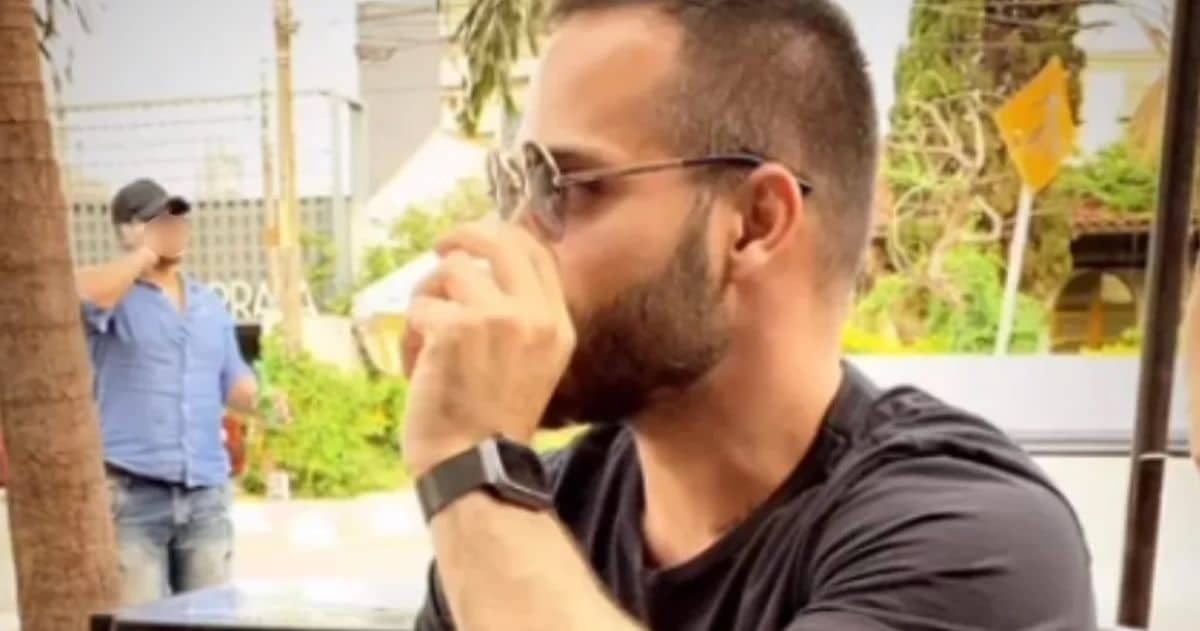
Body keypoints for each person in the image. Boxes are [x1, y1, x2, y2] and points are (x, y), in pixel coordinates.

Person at [402, 1, 1096, 629]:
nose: (517, 235)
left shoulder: (974, 540)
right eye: (515, 187)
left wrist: (470, 462)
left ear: (755, 223)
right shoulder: (539, 510)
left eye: (565, 186)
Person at [75, 178, 264, 605]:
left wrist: (260, 400)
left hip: (206, 495)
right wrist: (143, 255)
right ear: (127, 230)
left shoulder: (209, 304)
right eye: (158, 221)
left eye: (177, 220)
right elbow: (81, 295)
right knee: (141, 624)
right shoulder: (112, 295)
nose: (174, 228)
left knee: (212, 620)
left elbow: (233, 380)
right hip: (132, 495)